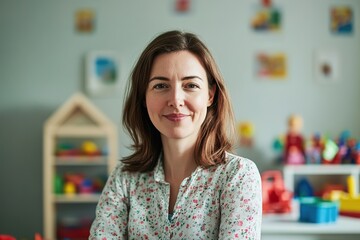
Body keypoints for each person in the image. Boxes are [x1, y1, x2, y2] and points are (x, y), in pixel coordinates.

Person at [89, 30, 262, 239]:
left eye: (190, 85)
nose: (176, 99)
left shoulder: (238, 176)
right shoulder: (124, 178)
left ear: (210, 94)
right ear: (144, 97)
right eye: (161, 86)